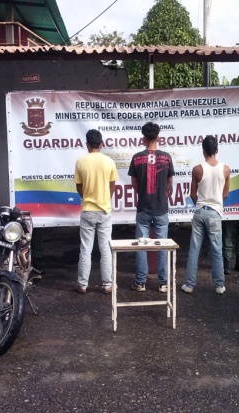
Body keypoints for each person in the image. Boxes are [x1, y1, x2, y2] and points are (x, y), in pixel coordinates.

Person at [128, 122, 174, 292]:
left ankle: (140, 282)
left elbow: (134, 183)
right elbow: (169, 182)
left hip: (143, 207)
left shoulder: (137, 157)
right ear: (158, 137)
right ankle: (163, 283)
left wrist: (143, 193)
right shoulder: (166, 157)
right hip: (161, 207)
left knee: (141, 245)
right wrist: (163, 192)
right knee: (162, 245)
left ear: (143, 139)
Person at [182, 135, 230, 294]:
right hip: (215, 212)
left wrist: (200, 204)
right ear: (217, 150)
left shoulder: (197, 169)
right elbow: (225, 194)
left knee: (194, 248)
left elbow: (192, 194)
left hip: (199, 211)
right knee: (217, 249)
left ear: (203, 151)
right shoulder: (225, 169)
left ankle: (189, 285)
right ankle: (219, 285)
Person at [74, 129, 118, 294]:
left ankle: (82, 285)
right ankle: (107, 285)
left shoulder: (81, 162)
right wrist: (106, 198)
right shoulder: (109, 162)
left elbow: (79, 186)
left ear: (87, 144)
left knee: (85, 248)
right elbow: (112, 184)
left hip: (87, 210)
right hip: (104, 210)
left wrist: (86, 197)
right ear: (101, 144)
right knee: (106, 248)